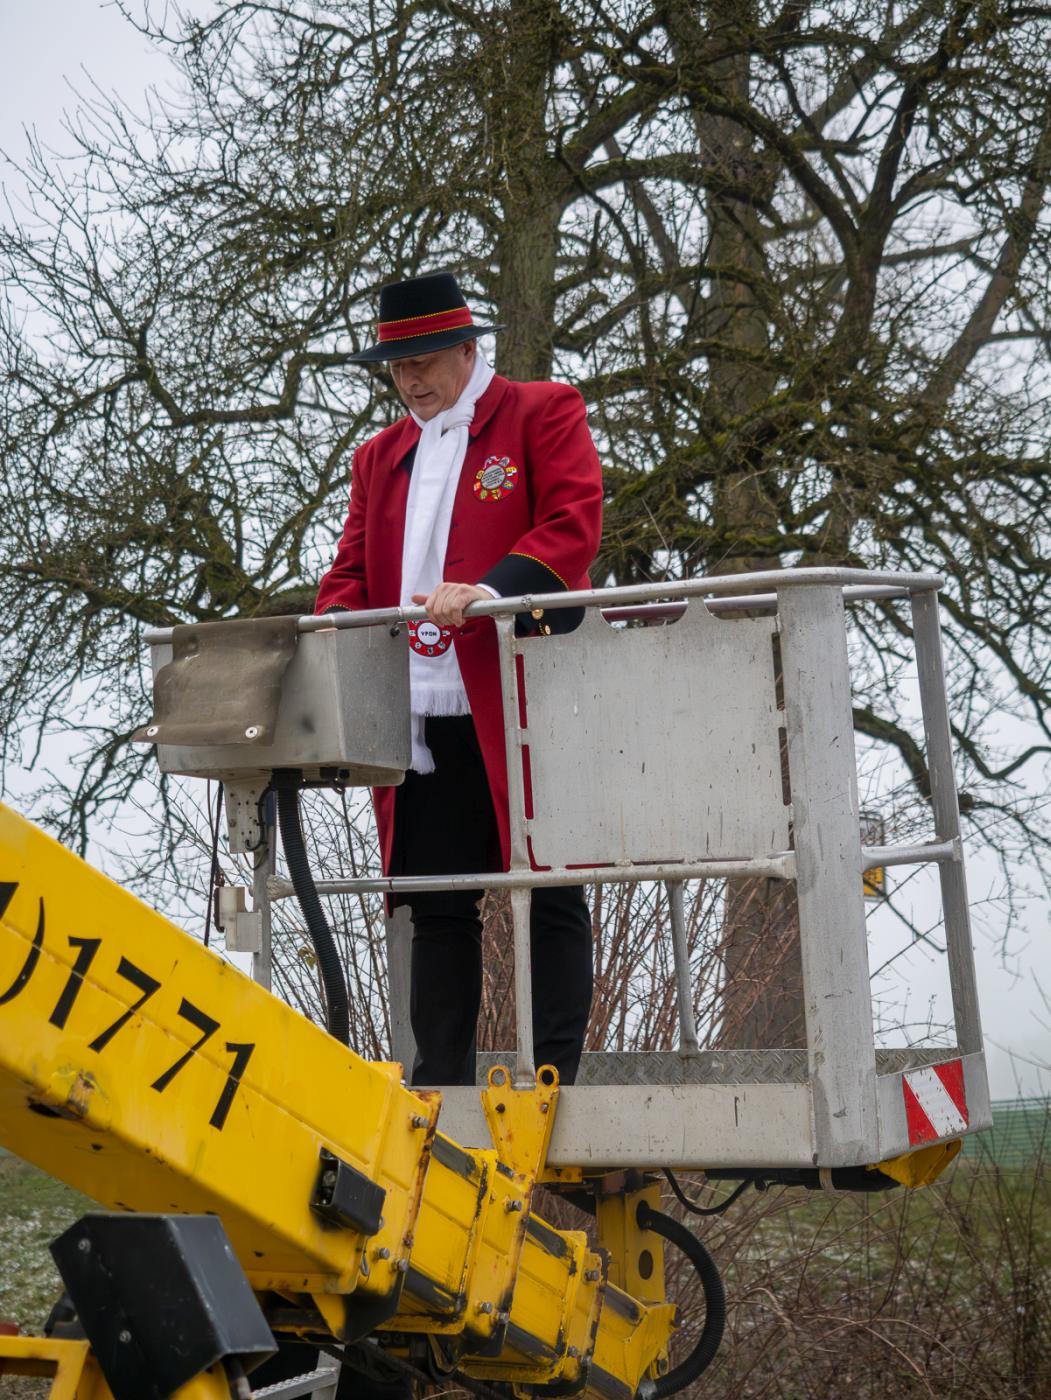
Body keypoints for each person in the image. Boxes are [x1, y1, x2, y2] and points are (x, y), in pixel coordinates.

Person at [316, 270, 602, 1089]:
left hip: (519, 695)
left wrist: (490, 592)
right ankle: (439, 1083)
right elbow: (349, 573)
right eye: (397, 367)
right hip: (419, 713)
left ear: (468, 351)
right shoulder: (377, 458)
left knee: (548, 887)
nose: (409, 380)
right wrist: (339, 625)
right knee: (435, 901)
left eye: (423, 361)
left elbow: (571, 523)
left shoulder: (542, 411)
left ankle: (553, 1079)